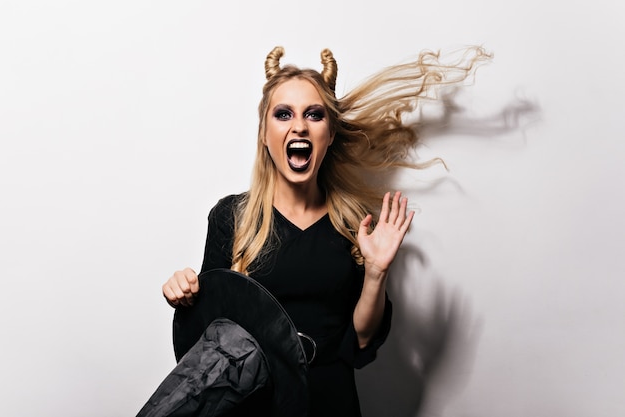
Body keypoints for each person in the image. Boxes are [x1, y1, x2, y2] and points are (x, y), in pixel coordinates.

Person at [162, 45, 490, 416]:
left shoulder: (357, 227)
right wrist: (185, 294)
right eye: (283, 114)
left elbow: (361, 345)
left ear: (330, 133)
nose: (299, 126)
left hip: (331, 402)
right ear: (264, 135)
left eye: (314, 115)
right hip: (253, 407)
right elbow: (207, 342)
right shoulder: (231, 217)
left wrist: (376, 273)